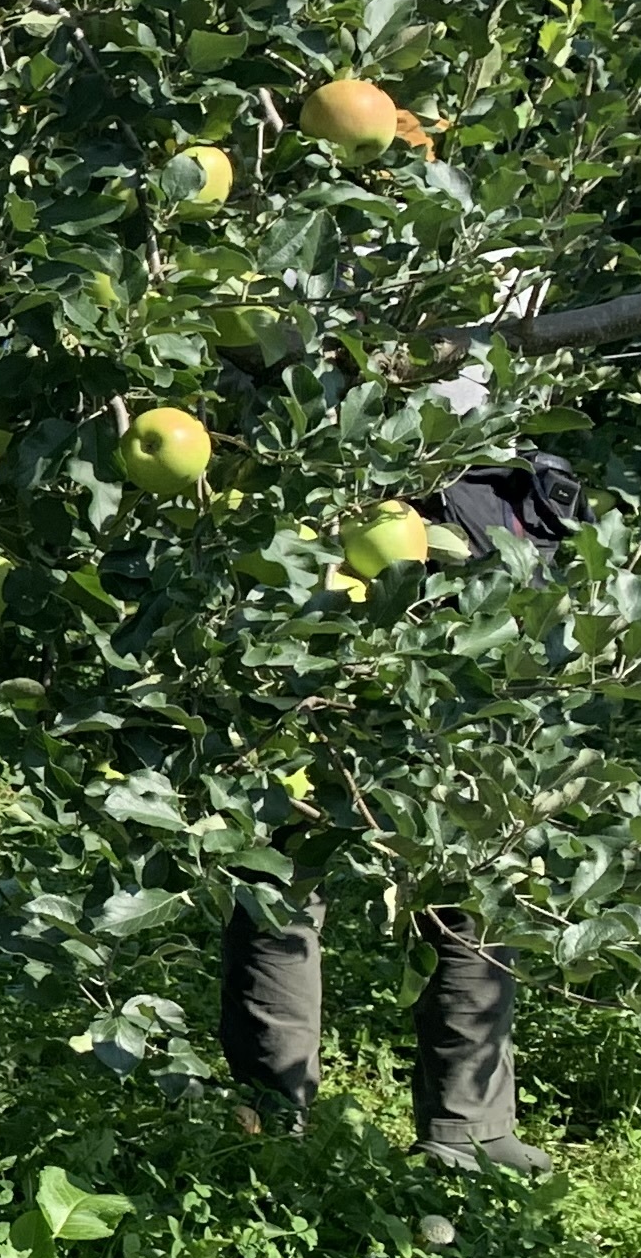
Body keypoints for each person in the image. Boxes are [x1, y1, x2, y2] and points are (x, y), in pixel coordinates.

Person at [216, 452, 585, 1176]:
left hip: (485, 520)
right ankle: (271, 1109)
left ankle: (468, 1124)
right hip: (347, 505)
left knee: (472, 845)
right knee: (293, 837)